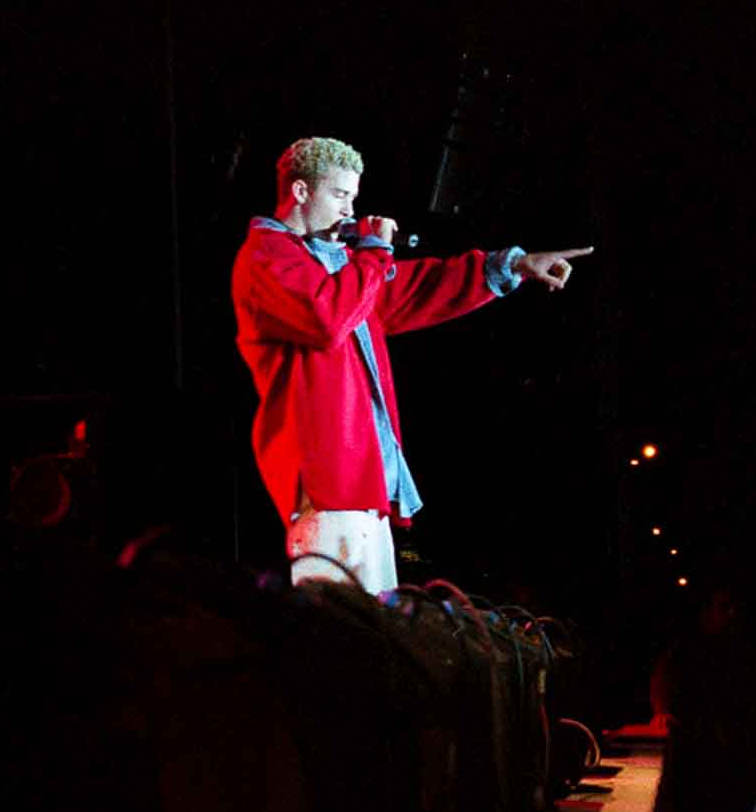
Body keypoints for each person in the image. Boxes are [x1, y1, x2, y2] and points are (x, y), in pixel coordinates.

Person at [231, 137, 592, 595]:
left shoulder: (342, 265)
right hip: (326, 480)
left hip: (363, 483)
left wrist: (513, 266)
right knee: (343, 637)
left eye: (354, 197)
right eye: (340, 195)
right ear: (301, 192)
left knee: (378, 638)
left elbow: (418, 287)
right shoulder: (268, 257)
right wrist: (374, 254)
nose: (350, 210)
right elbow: (326, 318)